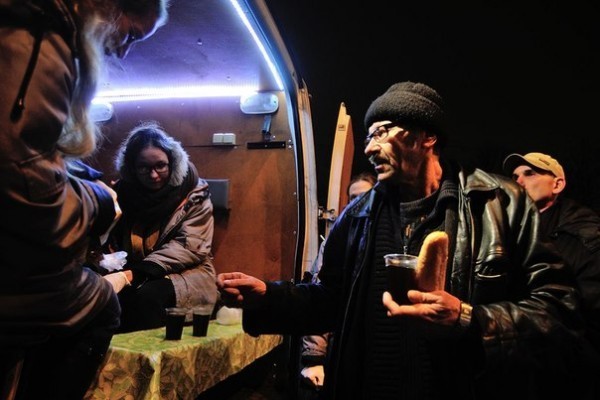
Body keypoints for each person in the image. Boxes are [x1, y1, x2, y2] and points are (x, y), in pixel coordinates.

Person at [217, 81, 589, 400]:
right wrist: (270, 297)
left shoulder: (499, 203)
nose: (369, 147)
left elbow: (560, 311)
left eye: (383, 132)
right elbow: (330, 301)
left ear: (427, 136)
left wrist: (467, 319)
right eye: (368, 136)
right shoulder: (358, 214)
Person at [0, 0, 168, 399]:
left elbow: (190, 249)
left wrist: (142, 270)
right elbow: (19, 177)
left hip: (154, 270)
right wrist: (98, 203)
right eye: (131, 34)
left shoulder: (191, 197)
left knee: (142, 294)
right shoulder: (41, 39)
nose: (123, 52)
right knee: (104, 306)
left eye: (160, 167)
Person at [104, 121, 218, 333]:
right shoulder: (121, 193)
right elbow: (109, 239)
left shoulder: (194, 193)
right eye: (144, 168)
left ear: (173, 163)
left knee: (146, 298)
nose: (154, 175)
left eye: (160, 166)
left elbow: (189, 247)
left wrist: (132, 274)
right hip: (134, 270)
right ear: (132, 168)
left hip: (187, 274)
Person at [503, 152, 600, 398]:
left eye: (530, 173)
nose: (518, 181)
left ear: (557, 185)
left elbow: (588, 315)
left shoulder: (584, 236)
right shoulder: (506, 231)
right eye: (514, 176)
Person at [299, 172, 376, 398]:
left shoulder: (386, 238)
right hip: (340, 348)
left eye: (365, 196)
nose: (359, 203)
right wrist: (314, 357)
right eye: (353, 198)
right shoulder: (338, 241)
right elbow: (321, 297)